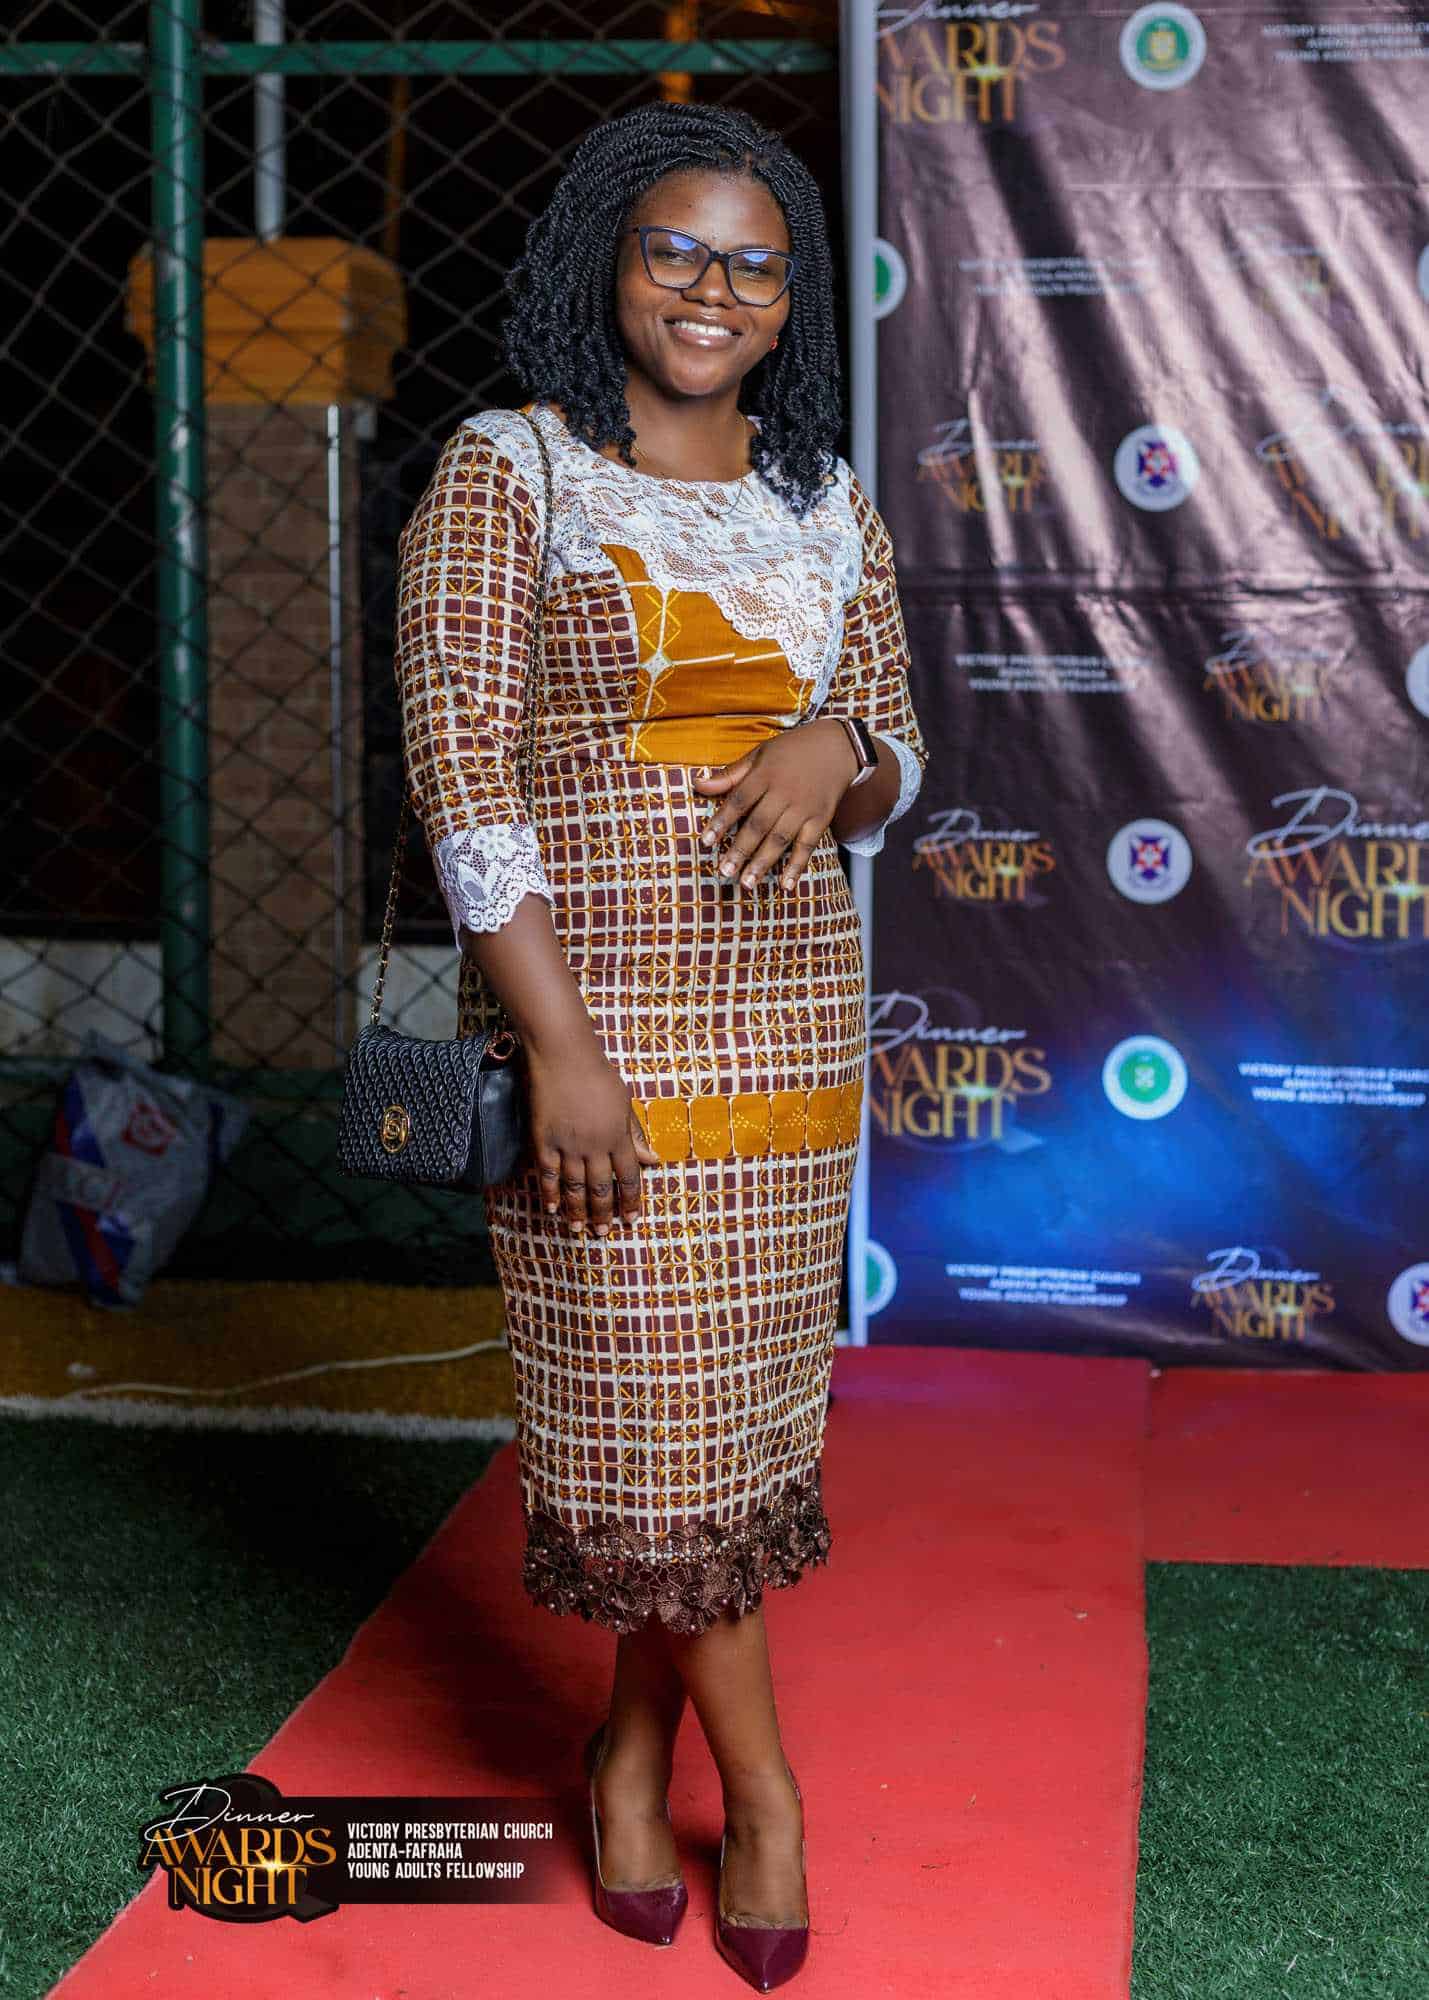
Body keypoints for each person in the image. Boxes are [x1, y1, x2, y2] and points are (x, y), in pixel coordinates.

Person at [393, 100, 927, 1990]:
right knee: (649, 1432)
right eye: (674, 252)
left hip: (790, 1040)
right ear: (606, 262)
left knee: (716, 1435)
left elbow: (896, 746)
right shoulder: (511, 470)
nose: (713, 291)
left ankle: (628, 1753)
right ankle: (761, 1796)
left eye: (754, 264)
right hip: (599, 1039)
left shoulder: (822, 497)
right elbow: (461, 775)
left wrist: (837, 745)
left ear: (795, 300)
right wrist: (556, 1048)